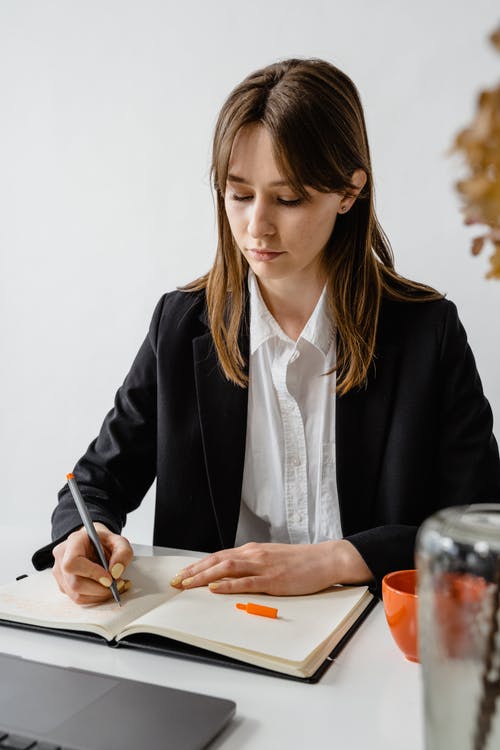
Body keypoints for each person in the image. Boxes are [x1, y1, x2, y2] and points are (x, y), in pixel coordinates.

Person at [32, 58, 500, 604]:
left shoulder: (427, 332)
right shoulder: (180, 326)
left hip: (368, 646)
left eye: (288, 198)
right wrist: (78, 540)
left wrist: (335, 559)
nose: (257, 226)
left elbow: (482, 530)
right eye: (238, 194)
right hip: (211, 638)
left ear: (349, 193)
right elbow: (93, 483)